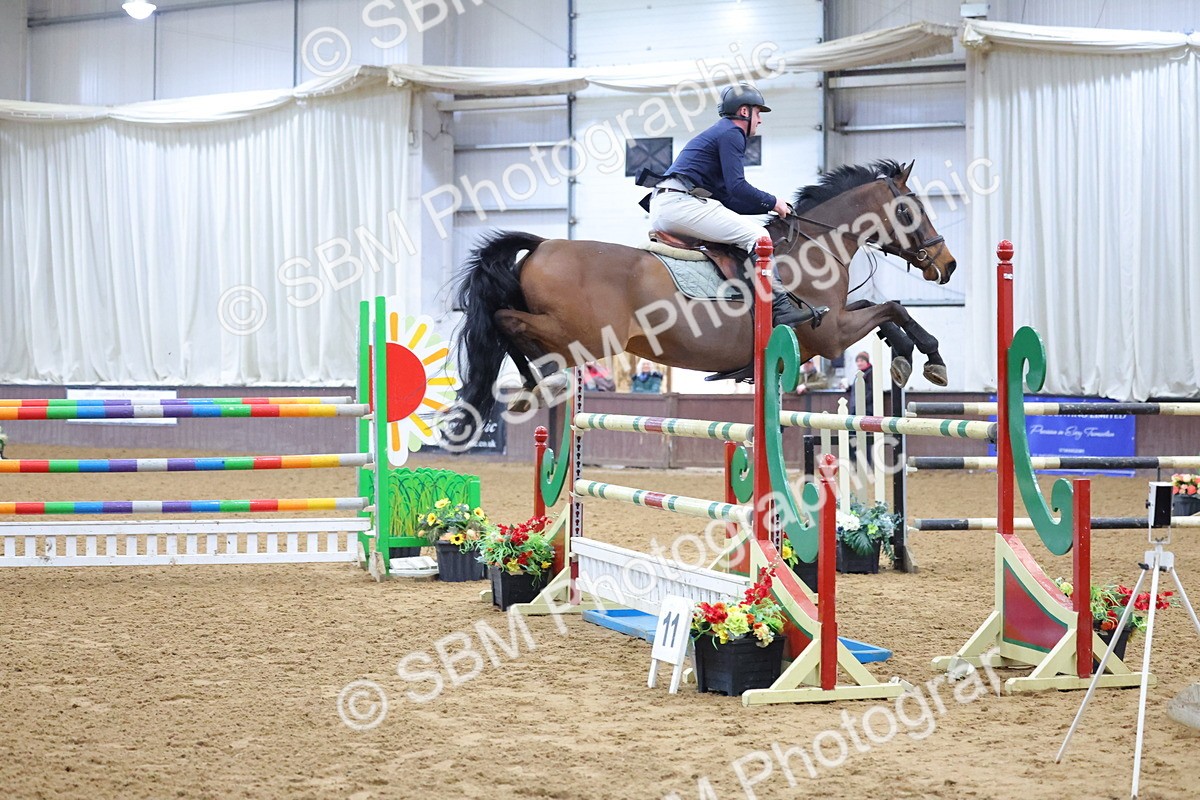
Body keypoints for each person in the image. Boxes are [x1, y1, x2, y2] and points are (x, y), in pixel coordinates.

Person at [644, 82, 813, 330]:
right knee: (759, 237)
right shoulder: (732, 133)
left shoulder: (721, 132)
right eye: (758, 113)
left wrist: (771, 208)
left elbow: (730, 200)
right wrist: (774, 201)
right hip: (679, 204)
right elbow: (738, 186)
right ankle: (781, 309)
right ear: (744, 111)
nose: (760, 120)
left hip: (671, 203)